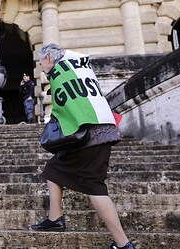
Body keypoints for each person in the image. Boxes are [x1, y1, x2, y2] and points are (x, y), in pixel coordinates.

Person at [31, 43, 135, 249]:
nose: (41, 67)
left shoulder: (59, 74)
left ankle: (123, 244)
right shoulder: (79, 70)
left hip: (90, 135)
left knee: (94, 186)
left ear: (49, 59)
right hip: (103, 130)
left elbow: (62, 109)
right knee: (53, 169)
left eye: (41, 62)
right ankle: (55, 218)